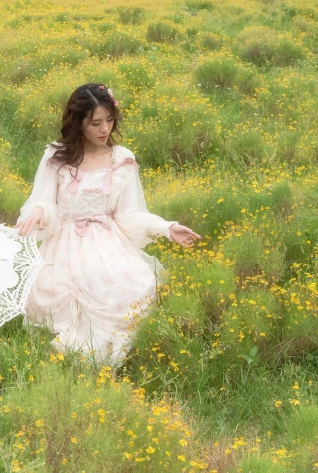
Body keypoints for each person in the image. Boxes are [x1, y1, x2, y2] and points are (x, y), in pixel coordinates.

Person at [15, 82, 201, 368]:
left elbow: (129, 214)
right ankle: (70, 359)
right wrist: (39, 212)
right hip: (65, 242)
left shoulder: (121, 159)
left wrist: (166, 227)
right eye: (95, 123)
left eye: (110, 121)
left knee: (130, 281)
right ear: (78, 124)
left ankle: (101, 360)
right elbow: (44, 200)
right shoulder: (57, 156)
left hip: (107, 241)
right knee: (72, 285)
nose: (104, 130)